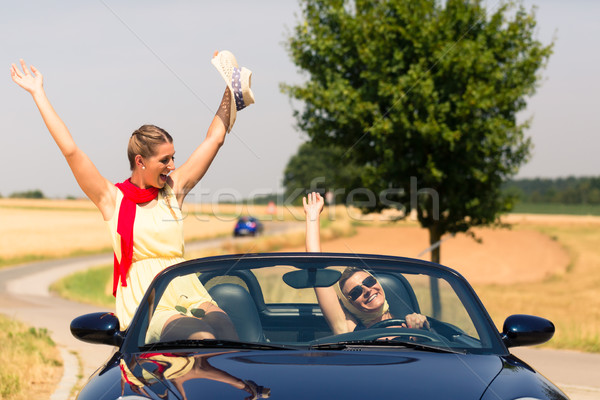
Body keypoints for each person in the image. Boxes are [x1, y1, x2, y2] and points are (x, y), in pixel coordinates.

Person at [10, 51, 254, 342]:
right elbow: (71, 151)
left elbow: (214, 139)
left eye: (173, 158)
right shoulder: (111, 200)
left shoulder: (172, 190)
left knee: (227, 332)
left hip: (187, 288)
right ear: (141, 162)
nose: (173, 166)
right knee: (201, 336)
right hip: (147, 298)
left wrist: (230, 89)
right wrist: (39, 94)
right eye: (165, 160)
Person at [303, 192, 429, 335]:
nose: (367, 290)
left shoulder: (411, 325)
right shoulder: (349, 330)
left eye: (369, 281)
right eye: (356, 292)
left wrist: (420, 330)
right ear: (350, 306)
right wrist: (312, 216)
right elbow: (316, 268)